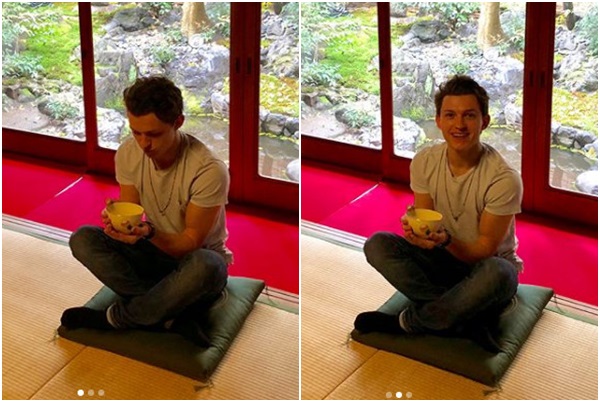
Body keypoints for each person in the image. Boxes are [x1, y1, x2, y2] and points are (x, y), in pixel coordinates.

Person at [354, 75, 522, 352]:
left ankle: (410, 322)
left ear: (485, 121)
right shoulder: (425, 161)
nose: (459, 125)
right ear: (439, 121)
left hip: (485, 271)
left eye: (469, 115)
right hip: (442, 261)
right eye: (450, 115)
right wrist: (417, 235)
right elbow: (426, 221)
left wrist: (444, 241)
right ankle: (464, 316)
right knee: (377, 244)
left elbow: (484, 249)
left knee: (499, 272)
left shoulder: (503, 179)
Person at [61, 76, 232, 347]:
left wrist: (149, 233)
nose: (143, 144)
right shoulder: (129, 153)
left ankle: (117, 318)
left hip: (192, 264)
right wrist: (119, 223)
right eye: (136, 132)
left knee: (207, 264)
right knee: (83, 238)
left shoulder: (208, 170)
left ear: (178, 122)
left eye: (153, 134)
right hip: (151, 253)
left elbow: (189, 242)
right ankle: (167, 314)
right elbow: (132, 212)